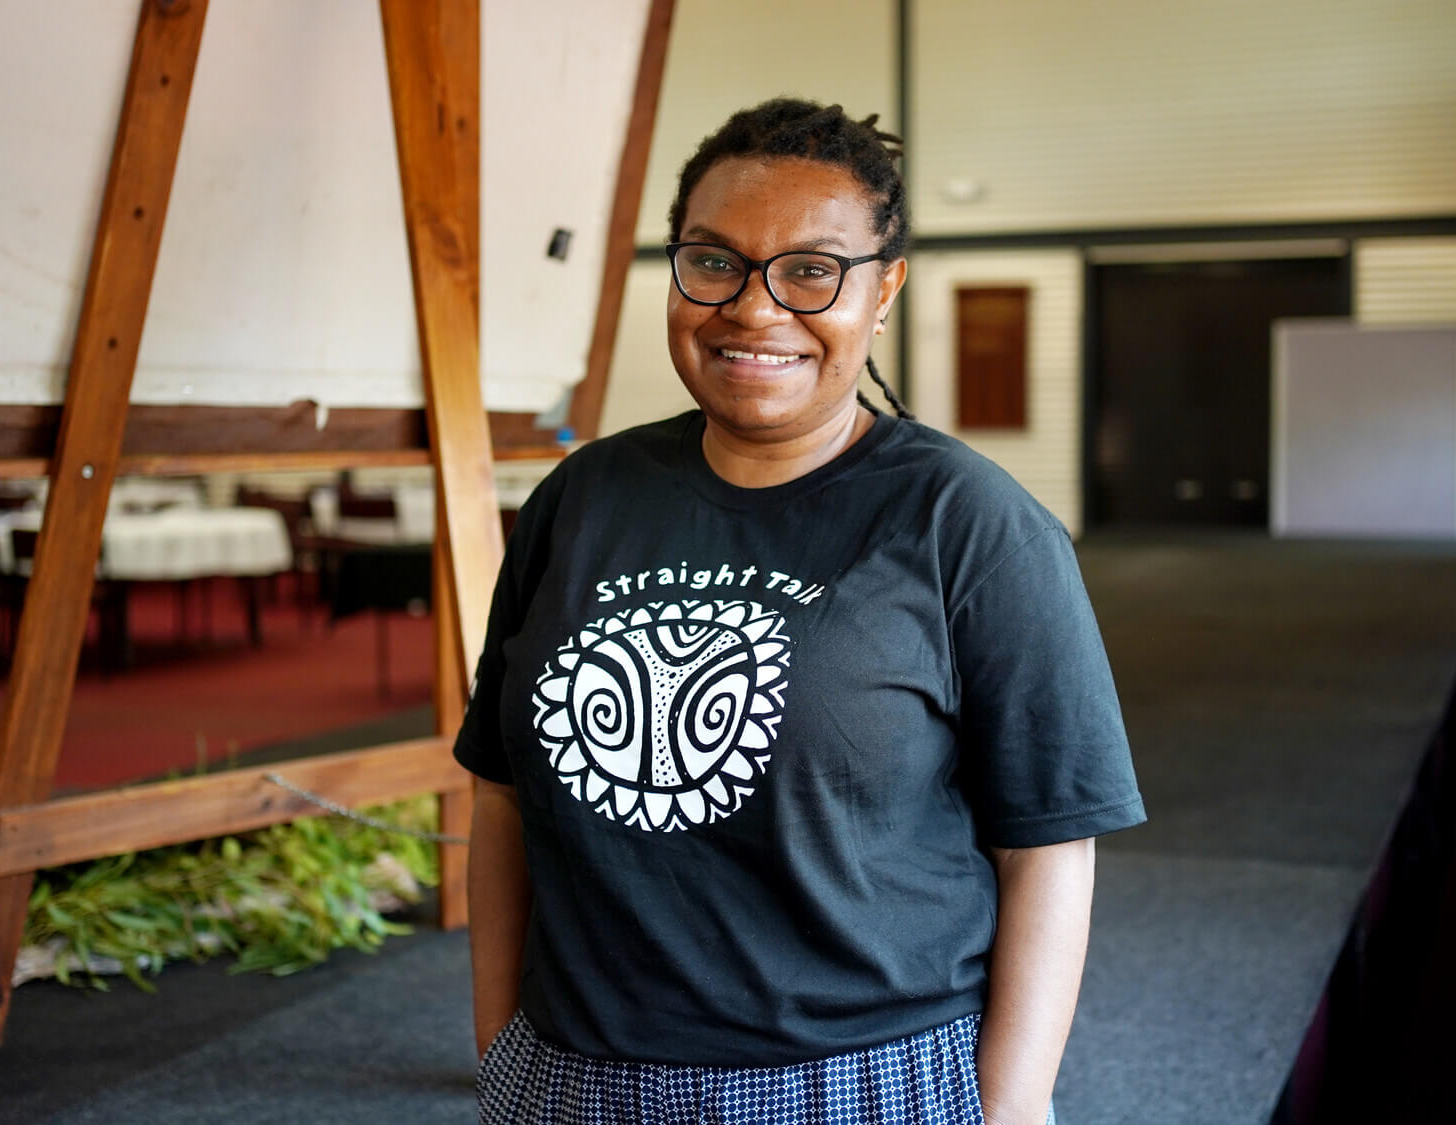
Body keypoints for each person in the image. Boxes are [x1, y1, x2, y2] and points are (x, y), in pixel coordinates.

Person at [455, 98, 1144, 1125]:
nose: (753, 307)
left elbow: (1047, 845)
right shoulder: (584, 496)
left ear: (883, 291)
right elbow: (501, 793)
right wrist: (499, 1043)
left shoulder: (968, 523)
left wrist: (1011, 1108)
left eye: (811, 271)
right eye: (714, 261)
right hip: (570, 1074)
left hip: (856, 1079)